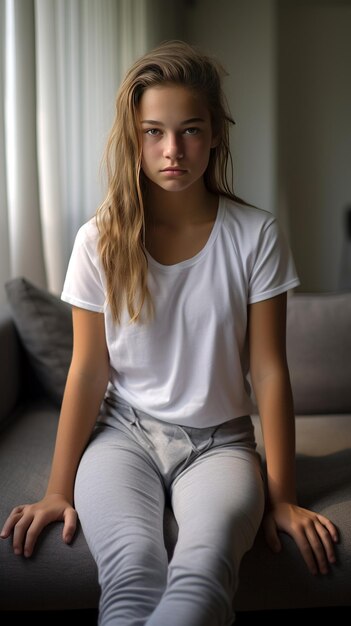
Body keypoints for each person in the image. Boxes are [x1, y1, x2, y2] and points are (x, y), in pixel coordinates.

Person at [1, 40, 338, 626]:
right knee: (131, 571)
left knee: (204, 573)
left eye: (189, 130)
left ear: (215, 135)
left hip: (221, 445)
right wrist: (58, 490)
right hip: (121, 436)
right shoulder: (98, 239)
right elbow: (88, 370)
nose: (172, 150)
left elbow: (269, 370)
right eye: (153, 132)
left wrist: (281, 497)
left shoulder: (256, 235)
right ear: (133, 139)